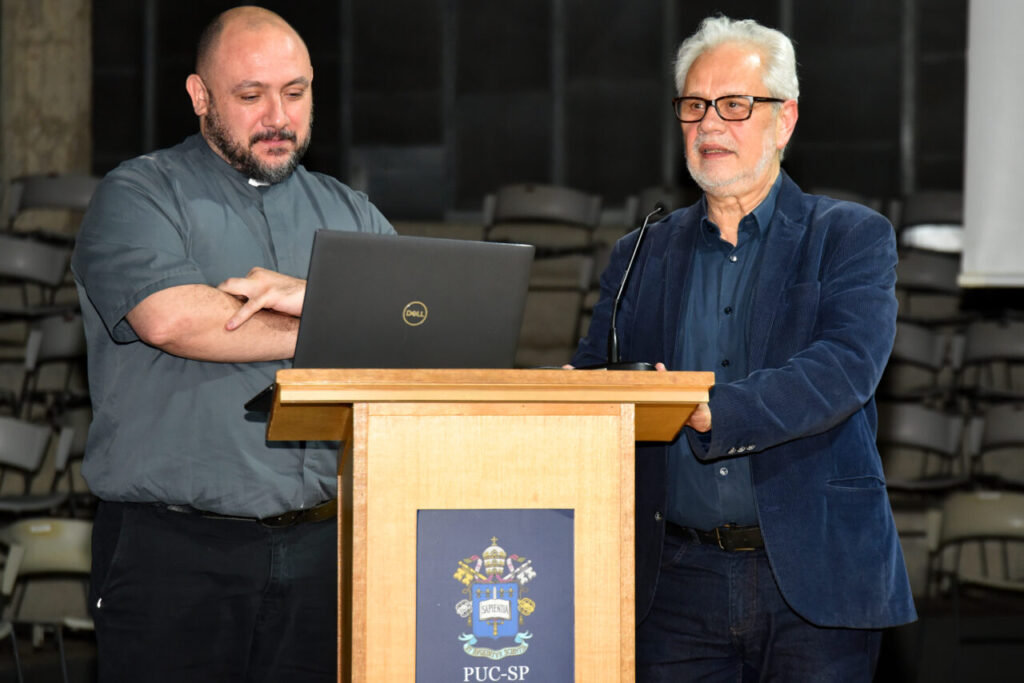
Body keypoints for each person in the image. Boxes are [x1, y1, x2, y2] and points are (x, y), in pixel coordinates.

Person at [571, 15, 916, 681]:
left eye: (734, 105)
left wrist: (711, 408)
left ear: (783, 120)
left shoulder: (849, 236)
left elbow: (845, 367)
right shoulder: (639, 252)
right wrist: (574, 395)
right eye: (694, 106)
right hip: (672, 586)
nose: (708, 125)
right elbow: (595, 376)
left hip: (816, 581)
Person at [72, 6, 394, 682]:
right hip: (175, 553)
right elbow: (171, 319)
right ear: (199, 96)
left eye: (296, 92)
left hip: (323, 548)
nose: (277, 115)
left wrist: (316, 302)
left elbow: (414, 334)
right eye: (250, 95)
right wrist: (336, 319)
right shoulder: (140, 193)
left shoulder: (350, 212)